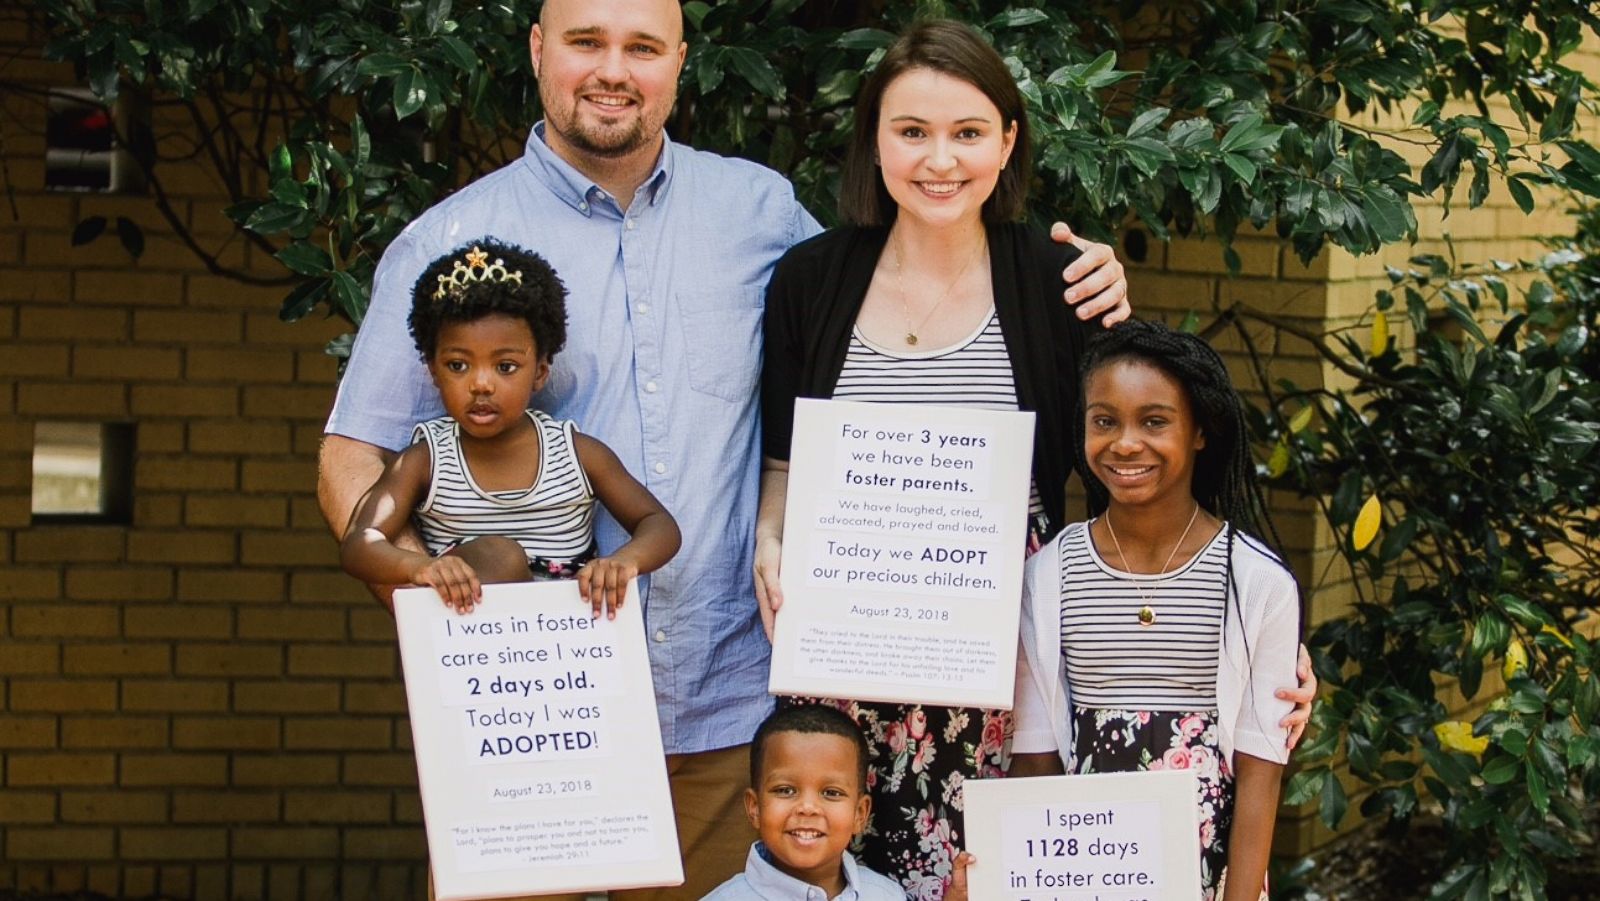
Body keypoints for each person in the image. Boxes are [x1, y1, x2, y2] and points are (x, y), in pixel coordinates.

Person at [316, 0, 1131, 894]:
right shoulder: (449, 244)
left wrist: (1082, 278)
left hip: (730, 719)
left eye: (643, 47)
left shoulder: (760, 215)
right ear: (539, 49)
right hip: (537, 721)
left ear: (680, 61)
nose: (613, 71)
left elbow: (870, 361)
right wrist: (453, 606)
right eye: (586, 42)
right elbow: (354, 459)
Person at [754, 21, 1314, 896]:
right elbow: (785, 462)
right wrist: (768, 541)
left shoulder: (1060, 282)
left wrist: (1248, 638)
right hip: (846, 653)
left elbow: (1143, 471)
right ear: (874, 139)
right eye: (912, 132)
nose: (940, 160)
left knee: (991, 874)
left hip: (1007, 658)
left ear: (1008, 140)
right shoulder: (810, 279)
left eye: (968, 132)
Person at [1008, 320, 1301, 901]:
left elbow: (1261, 772)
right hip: (1079, 868)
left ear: (1199, 431)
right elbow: (1035, 757)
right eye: (1104, 420)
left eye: (1155, 421)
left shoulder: (1256, 582)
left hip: (1208, 872)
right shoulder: (1048, 576)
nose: (1125, 443)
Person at [338, 240, 680, 617]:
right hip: (473, 655)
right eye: (457, 365)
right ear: (433, 372)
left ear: (540, 373)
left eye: (505, 367)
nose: (481, 384)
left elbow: (659, 524)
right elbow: (360, 544)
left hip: (572, 656)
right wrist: (420, 567)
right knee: (499, 557)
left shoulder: (577, 454)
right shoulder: (426, 461)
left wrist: (624, 562)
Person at [704, 705, 974, 901]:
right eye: (786, 790)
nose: (807, 807)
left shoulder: (885, 895)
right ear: (754, 808)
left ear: (860, 813)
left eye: (831, 793)